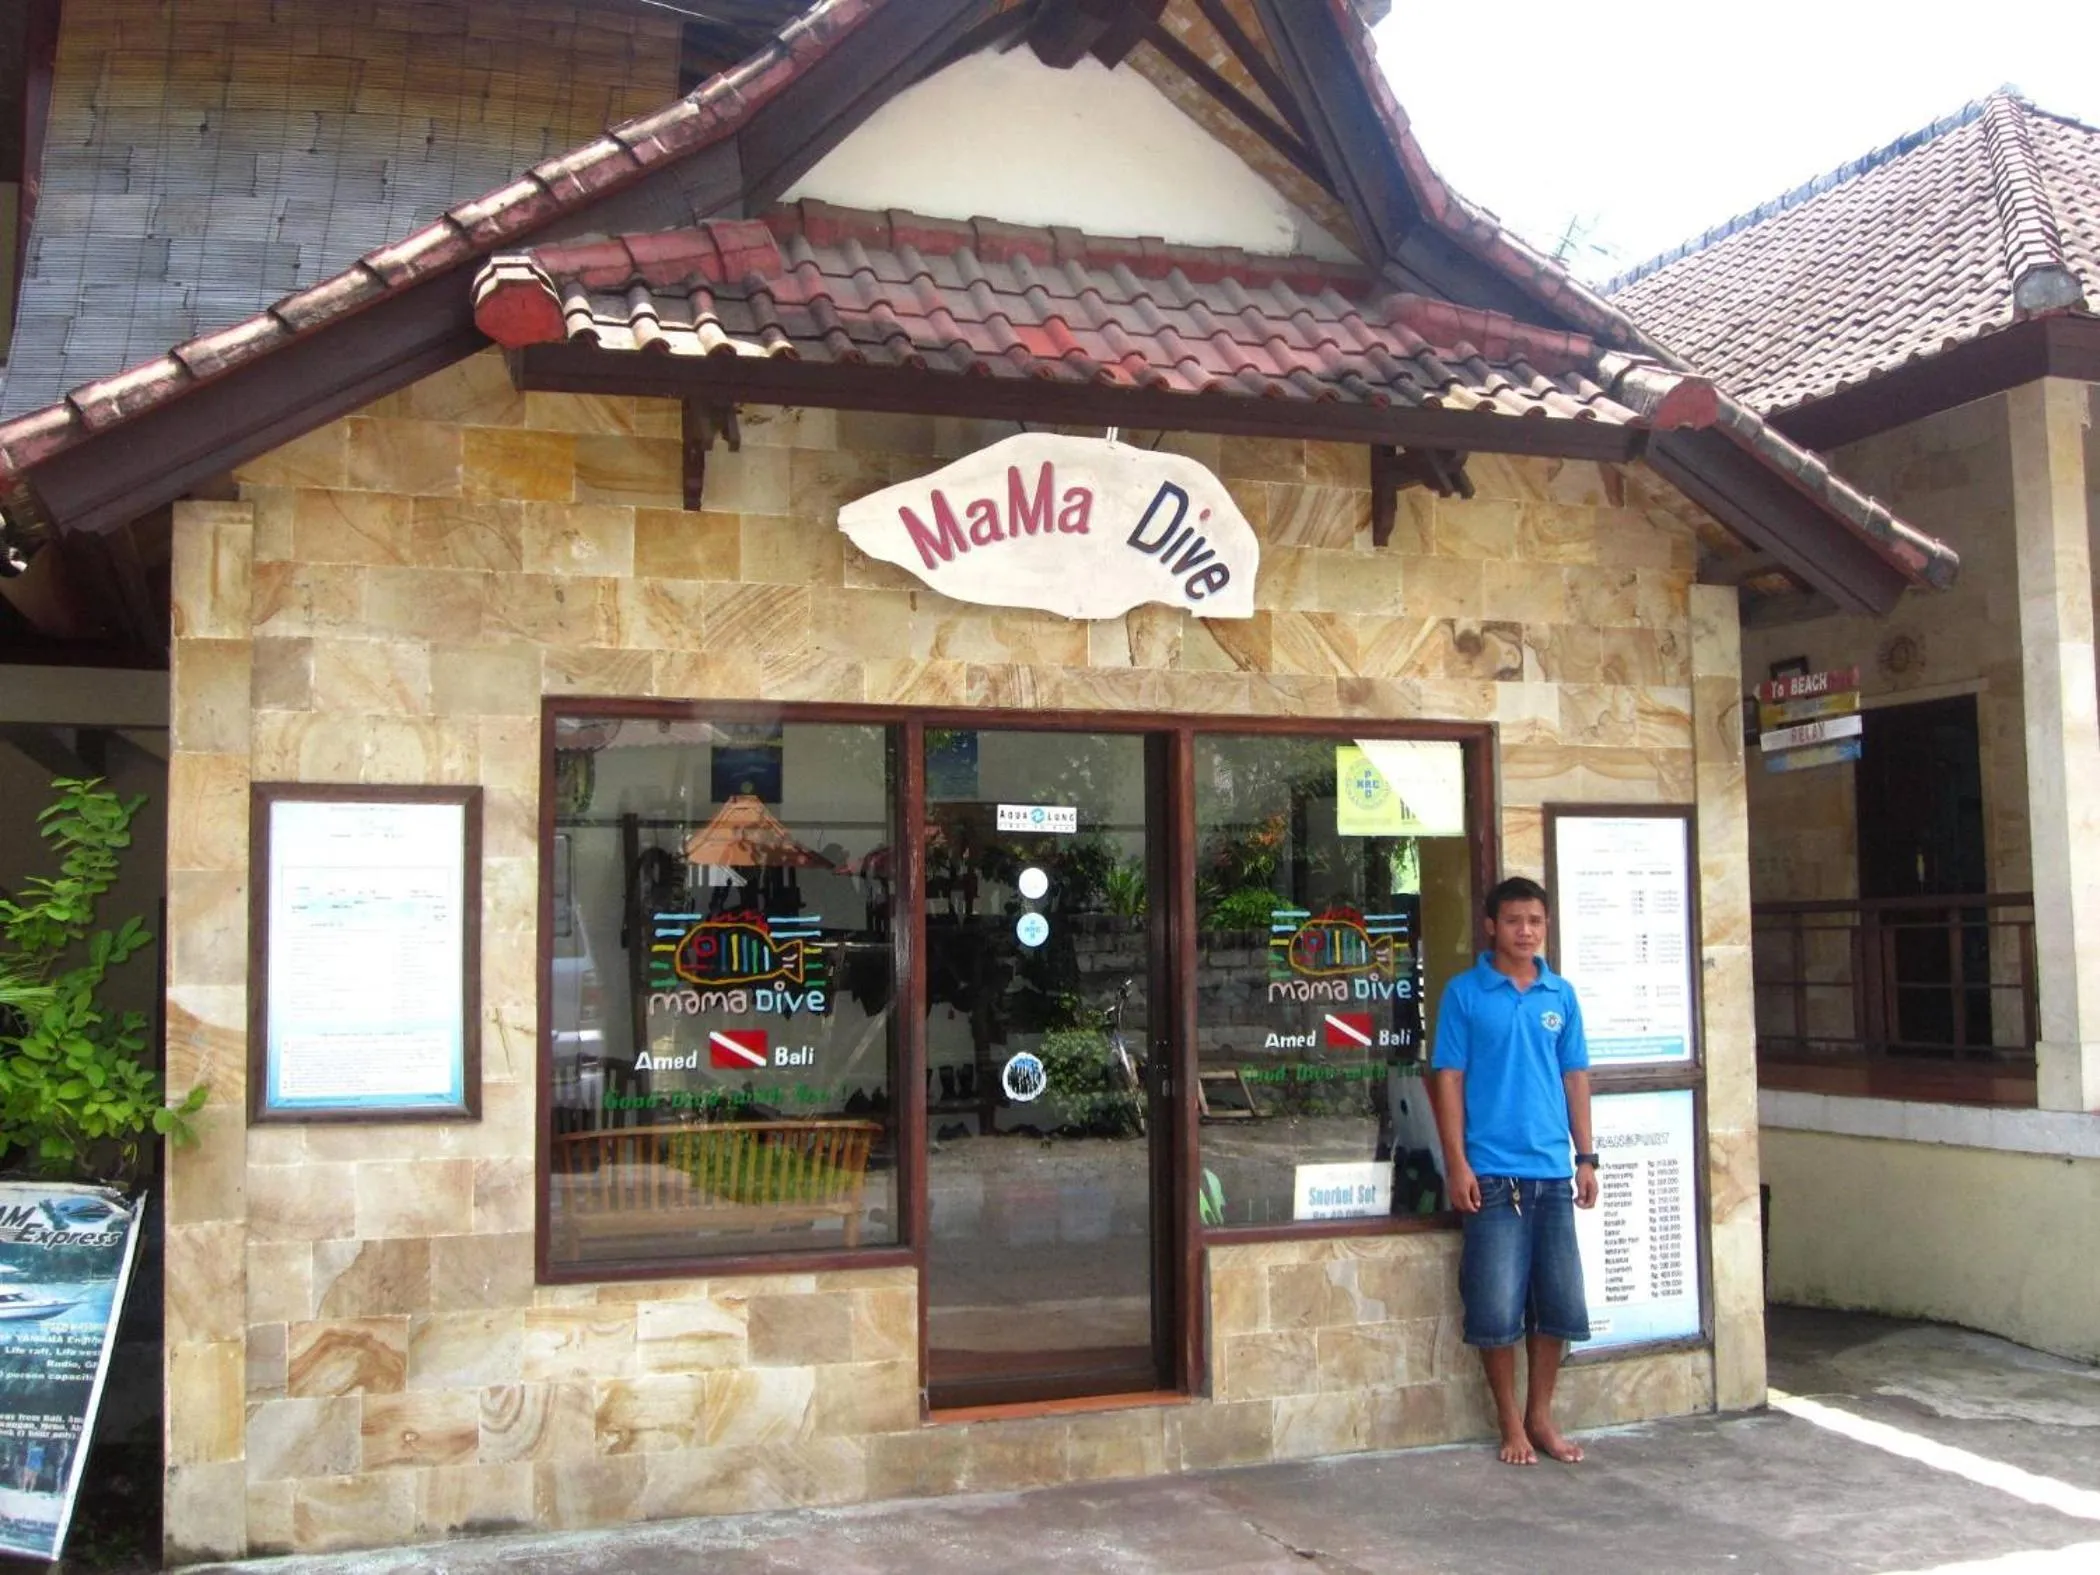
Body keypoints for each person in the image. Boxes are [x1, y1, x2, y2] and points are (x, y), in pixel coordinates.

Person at [1427, 875, 1599, 1466]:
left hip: (1553, 1174)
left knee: (1557, 1304)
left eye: (1536, 922)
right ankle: (1509, 1423)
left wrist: (1586, 1157)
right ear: (1491, 927)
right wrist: (1458, 1163)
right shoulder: (1465, 994)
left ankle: (1541, 1416)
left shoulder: (1561, 996)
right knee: (1496, 1308)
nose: (1526, 931)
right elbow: (1447, 1077)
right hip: (1492, 1177)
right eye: (1515, 921)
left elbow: (1575, 1076)